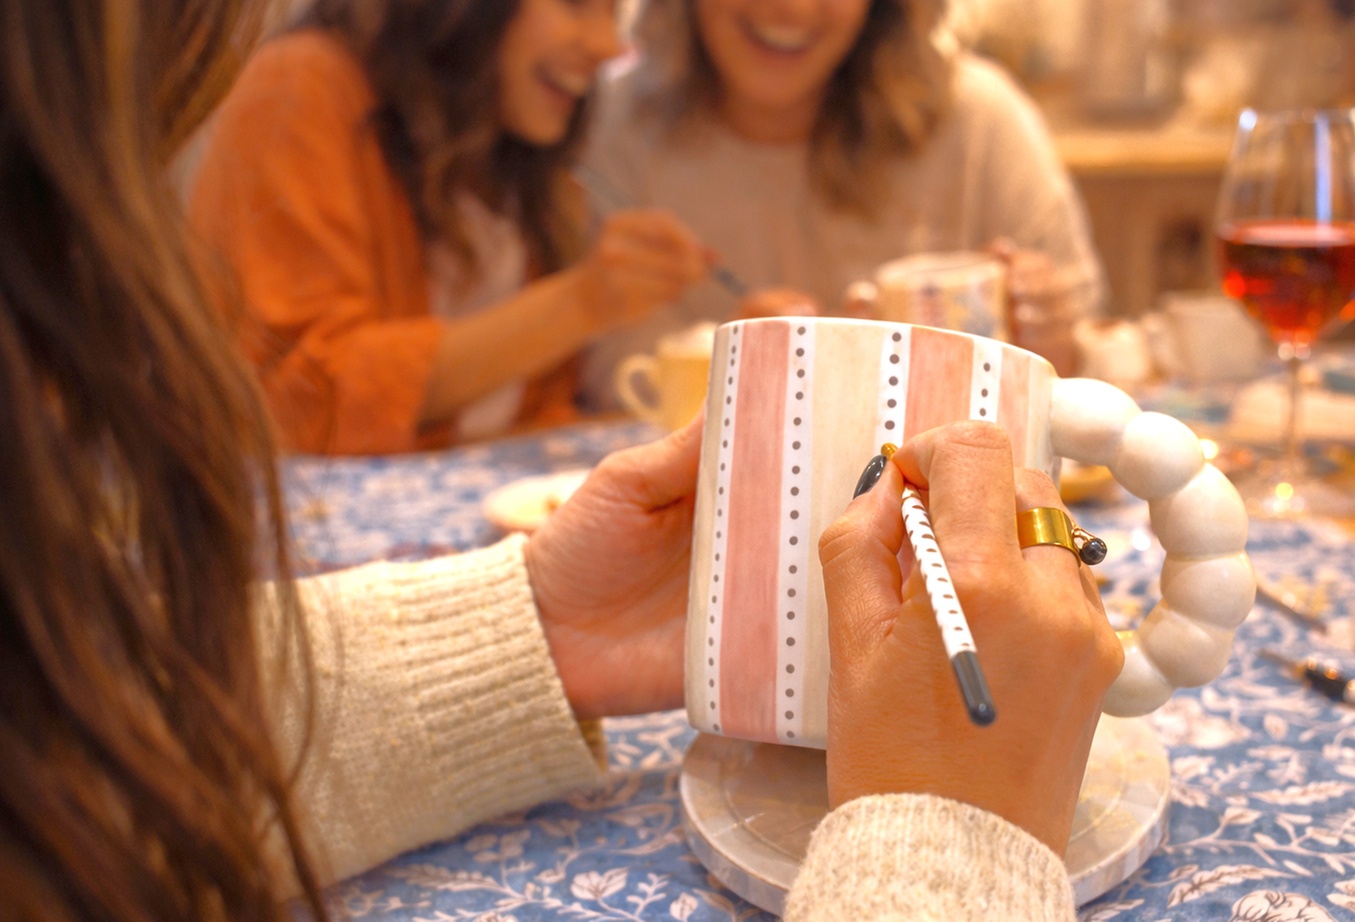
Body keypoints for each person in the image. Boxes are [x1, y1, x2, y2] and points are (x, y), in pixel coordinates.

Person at [1, 0, 1120, 918]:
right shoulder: (562, 125)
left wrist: (536, 631)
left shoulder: (530, 143)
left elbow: (76, 737)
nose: (601, 43)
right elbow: (319, 389)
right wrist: (949, 846)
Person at [189, 0, 710, 455]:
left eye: (613, 11)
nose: (609, 44)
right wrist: (581, 302)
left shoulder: (517, 148)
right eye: (575, 2)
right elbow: (294, 399)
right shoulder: (302, 83)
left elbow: (538, 415)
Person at [578, 0, 1106, 405]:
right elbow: (608, 375)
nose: (793, 8)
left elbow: (1097, 356)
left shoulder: (980, 120)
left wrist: (1057, 346)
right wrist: (736, 366)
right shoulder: (610, 124)